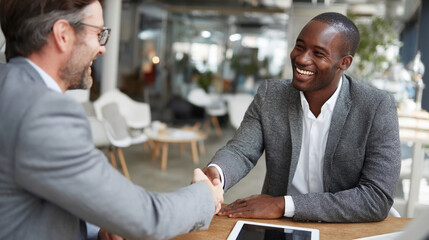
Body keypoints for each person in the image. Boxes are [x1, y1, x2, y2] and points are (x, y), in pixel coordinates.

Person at [0, 0, 223, 239]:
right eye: (98, 33)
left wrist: (97, 232)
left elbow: (33, 207)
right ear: (63, 34)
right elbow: (147, 218)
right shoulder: (43, 113)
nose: (102, 48)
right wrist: (205, 196)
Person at [203, 12, 401, 223]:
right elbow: (241, 150)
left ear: (344, 63)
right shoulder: (271, 95)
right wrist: (217, 174)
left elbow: (376, 197)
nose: (302, 58)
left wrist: (283, 204)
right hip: (280, 226)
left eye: (318, 53)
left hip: (343, 227)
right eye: (299, 46)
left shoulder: (376, 106)